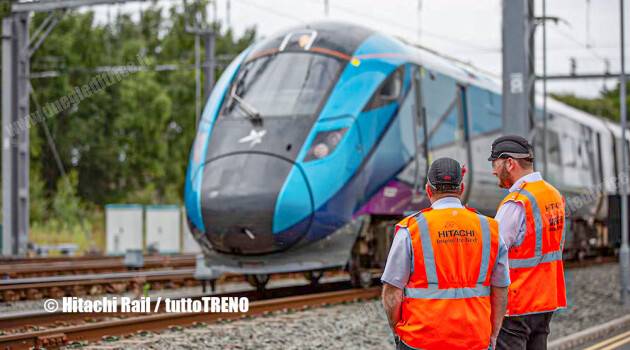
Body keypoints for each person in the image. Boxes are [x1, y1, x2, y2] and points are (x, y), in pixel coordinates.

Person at [381, 157, 510, 350]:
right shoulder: (490, 229)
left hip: (421, 339)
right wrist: (493, 332)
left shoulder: (411, 229)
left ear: (428, 190)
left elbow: (392, 291)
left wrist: (396, 330)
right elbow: (501, 288)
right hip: (474, 338)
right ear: (461, 188)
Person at [489, 135, 567, 350]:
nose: (493, 171)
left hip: (517, 303)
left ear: (509, 163)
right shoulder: (554, 195)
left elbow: (493, 254)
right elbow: (556, 246)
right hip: (546, 300)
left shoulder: (516, 203)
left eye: (495, 164)